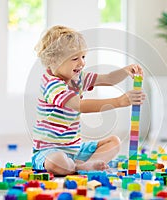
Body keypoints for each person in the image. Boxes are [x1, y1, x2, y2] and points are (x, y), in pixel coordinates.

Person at [32, 25, 146, 175]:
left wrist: (125, 71)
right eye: (75, 58)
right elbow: (79, 105)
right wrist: (119, 101)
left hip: (75, 149)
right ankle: (79, 167)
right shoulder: (51, 84)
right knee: (57, 162)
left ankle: (84, 164)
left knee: (114, 142)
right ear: (54, 60)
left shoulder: (78, 78)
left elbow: (109, 79)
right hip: (49, 151)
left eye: (83, 57)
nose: (82, 63)